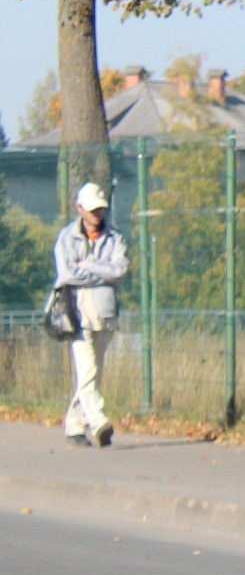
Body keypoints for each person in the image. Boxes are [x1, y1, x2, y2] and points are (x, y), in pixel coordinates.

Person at [53, 182, 129, 448]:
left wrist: (89, 266)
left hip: (105, 312)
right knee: (88, 370)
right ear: (80, 208)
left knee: (93, 373)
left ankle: (74, 426)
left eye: (101, 209)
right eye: (92, 209)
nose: (97, 214)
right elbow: (68, 274)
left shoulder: (115, 237)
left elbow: (119, 271)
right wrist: (101, 271)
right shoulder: (66, 238)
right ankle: (99, 422)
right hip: (76, 313)